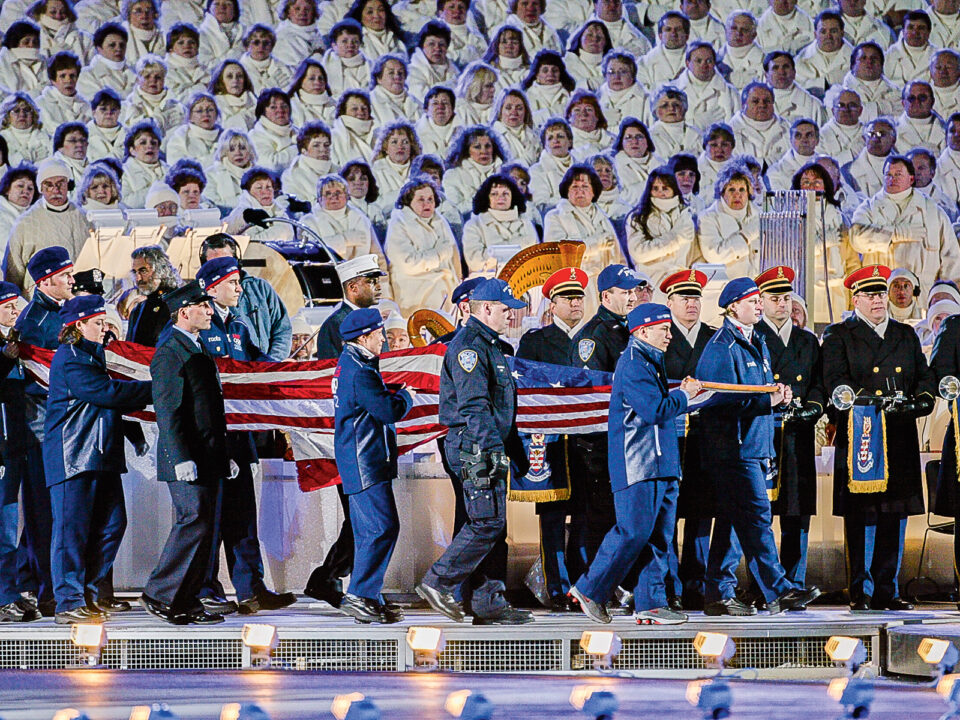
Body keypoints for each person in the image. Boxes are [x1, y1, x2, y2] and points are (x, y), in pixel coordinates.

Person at [570, 302, 702, 625]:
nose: (670, 335)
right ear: (642, 331)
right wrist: (685, 396)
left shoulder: (650, 361)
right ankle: (589, 589)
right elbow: (654, 410)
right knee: (632, 532)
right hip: (638, 464)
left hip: (661, 464)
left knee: (658, 537)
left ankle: (651, 603)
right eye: (664, 329)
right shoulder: (632, 363)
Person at [696, 277, 821, 616]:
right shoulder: (723, 347)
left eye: (758, 301)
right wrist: (768, 402)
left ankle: (718, 592)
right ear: (733, 307)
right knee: (756, 517)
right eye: (752, 301)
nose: (759, 306)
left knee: (733, 521)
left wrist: (778, 397)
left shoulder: (755, 341)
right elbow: (717, 400)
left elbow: (756, 392)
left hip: (753, 444)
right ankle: (778, 590)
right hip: (734, 449)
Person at [416, 278, 533, 625]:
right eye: (505, 309)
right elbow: (474, 406)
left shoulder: (489, 345)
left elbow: (501, 407)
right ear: (486, 308)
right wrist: (493, 450)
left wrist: (513, 452)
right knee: (486, 521)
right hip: (474, 448)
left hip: (483, 446)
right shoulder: (469, 348)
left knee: (492, 522)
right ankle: (438, 583)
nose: (510, 315)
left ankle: (487, 602)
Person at [822, 265, 935, 611]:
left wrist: (921, 400)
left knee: (895, 513)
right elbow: (834, 380)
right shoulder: (840, 335)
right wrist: (868, 400)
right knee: (863, 515)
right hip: (863, 433)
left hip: (898, 432)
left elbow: (923, 377)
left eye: (881, 294)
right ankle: (862, 590)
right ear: (855, 299)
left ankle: (888, 588)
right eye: (869, 295)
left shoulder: (905, 334)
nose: (877, 301)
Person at [192, 256, 297, 615]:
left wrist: (288, 374)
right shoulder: (197, 326)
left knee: (242, 517)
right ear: (212, 288)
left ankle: (251, 589)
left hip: (238, 439)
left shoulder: (238, 324)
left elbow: (256, 364)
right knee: (210, 518)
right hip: (209, 440)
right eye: (233, 283)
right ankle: (205, 588)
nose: (239, 289)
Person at [44, 295, 152, 624]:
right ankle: (69, 600)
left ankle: (88, 594)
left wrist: (134, 434)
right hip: (74, 457)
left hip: (99, 456)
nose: (105, 328)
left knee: (112, 525)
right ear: (78, 325)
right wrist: (156, 388)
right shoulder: (70, 358)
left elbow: (108, 398)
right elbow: (106, 394)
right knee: (71, 532)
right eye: (98, 323)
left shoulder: (91, 356)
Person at [141, 280, 233, 625]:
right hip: (186, 457)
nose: (210, 311)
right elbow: (169, 411)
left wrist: (223, 454)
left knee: (205, 528)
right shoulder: (170, 352)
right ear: (184, 312)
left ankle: (187, 598)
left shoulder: (195, 346)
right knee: (193, 522)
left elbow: (209, 408)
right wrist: (180, 457)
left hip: (206, 455)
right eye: (203, 306)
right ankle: (160, 593)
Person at [303, 254, 386, 608]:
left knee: (363, 518)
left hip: (367, 438)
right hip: (354, 438)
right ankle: (340, 582)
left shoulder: (360, 322)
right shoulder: (336, 326)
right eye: (372, 281)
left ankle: (330, 578)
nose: (378, 286)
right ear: (353, 287)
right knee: (365, 518)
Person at [333, 307, 414, 623]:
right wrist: (406, 397)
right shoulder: (361, 372)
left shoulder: (352, 364)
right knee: (381, 528)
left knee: (371, 530)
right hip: (365, 461)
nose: (384, 339)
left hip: (360, 460)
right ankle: (360, 595)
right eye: (379, 334)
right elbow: (387, 410)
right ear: (364, 337)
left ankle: (368, 595)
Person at [516, 267, 589, 611]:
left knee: (588, 517)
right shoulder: (536, 341)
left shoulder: (595, 336)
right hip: (552, 442)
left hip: (589, 442)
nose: (576, 303)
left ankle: (585, 586)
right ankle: (557, 587)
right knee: (553, 518)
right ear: (552, 303)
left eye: (579, 297)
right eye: (568, 297)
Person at [14, 246, 76, 618]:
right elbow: (37, 384)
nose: (72, 279)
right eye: (65, 275)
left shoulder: (58, 313)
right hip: (42, 434)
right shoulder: (36, 322)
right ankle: (48, 591)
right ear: (46, 281)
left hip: (57, 431)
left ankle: (28, 579)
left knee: (49, 516)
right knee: (46, 517)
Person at [754, 266, 824, 591]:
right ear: (761, 301)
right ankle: (764, 585)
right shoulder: (753, 338)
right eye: (774, 298)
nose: (782, 304)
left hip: (798, 434)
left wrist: (814, 406)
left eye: (785, 298)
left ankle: (794, 581)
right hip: (764, 433)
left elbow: (818, 383)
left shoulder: (807, 341)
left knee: (797, 512)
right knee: (762, 514)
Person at [659, 269, 715, 611]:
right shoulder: (659, 336)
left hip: (705, 438)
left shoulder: (713, 337)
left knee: (701, 513)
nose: (691, 304)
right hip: (670, 435)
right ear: (670, 303)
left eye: (696, 298)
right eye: (684, 298)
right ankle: (669, 586)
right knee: (667, 515)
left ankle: (697, 584)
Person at [850, 154, 960, 293]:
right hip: (881, 292)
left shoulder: (933, 212)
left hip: (922, 294)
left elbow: (951, 256)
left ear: (911, 179)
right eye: (888, 174)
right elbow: (856, 239)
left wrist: (946, 292)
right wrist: (896, 233)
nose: (892, 179)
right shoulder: (869, 209)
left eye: (898, 174)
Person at [0, 281, 40, 622]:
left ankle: (13, 589)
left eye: (17, 305)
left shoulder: (17, 342)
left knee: (13, 524)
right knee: (4, 524)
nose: (16, 311)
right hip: (2, 449)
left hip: (17, 443)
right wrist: (4, 359)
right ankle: (4, 597)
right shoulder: (6, 350)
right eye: (9, 306)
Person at [198, 233, 293, 361]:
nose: (221, 268)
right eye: (214, 264)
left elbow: (282, 330)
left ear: (238, 262)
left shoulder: (261, 288)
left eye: (226, 261)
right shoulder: (198, 300)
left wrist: (271, 364)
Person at [4, 158, 91, 294]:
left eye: (60, 183)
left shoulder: (84, 218)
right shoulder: (26, 223)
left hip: (78, 297)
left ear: (68, 185)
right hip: (39, 299)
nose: (55, 190)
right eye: (49, 185)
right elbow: (13, 271)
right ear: (41, 188)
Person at [127, 245, 180, 347]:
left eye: (143, 271)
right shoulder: (138, 310)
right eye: (135, 272)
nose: (138, 279)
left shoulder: (180, 305)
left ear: (161, 270)